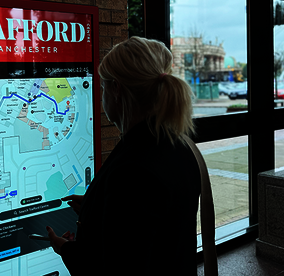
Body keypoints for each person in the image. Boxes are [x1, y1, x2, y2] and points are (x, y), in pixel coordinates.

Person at [45, 36, 201, 275]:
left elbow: (118, 267)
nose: (102, 95)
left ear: (116, 89)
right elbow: (151, 231)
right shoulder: (178, 146)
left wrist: (66, 249)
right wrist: (95, 207)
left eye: (104, 87)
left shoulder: (133, 170)